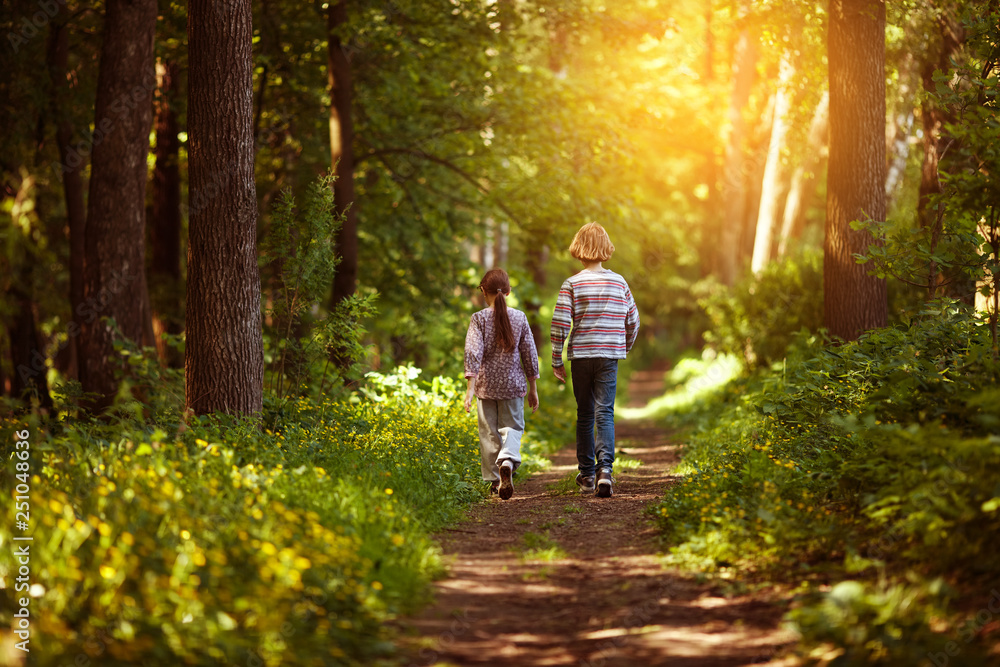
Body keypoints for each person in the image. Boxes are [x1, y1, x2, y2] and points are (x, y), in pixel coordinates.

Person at [550, 222, 639, 498]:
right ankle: (606, 472)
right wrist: (622, 346)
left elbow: (560, 323)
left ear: (579, 249)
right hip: (608, 356)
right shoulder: (619, 282)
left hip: (582, 357)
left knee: (585, 413)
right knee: (605, 412)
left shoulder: (572, 284)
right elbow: (633, 320)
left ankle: (587, 475)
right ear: (605, 249)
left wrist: (556, 358)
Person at [464, 268, 540, 500]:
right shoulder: (519, 317)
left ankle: (494, 482)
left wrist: (469, 389)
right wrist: (533, 388)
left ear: (483, 292)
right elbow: (530, 353)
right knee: (513, 429)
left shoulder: (478, 318)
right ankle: (507, 459)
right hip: (513, 385)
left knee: (488, 433)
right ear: (508, 292)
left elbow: (473, 352)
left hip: (486, 387)